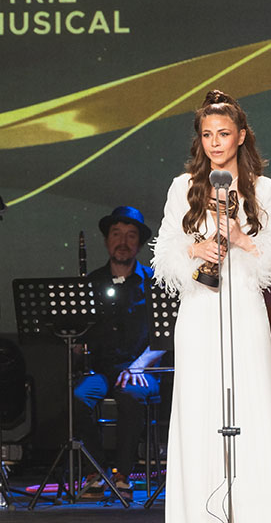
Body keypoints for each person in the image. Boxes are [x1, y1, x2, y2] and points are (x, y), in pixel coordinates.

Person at [152, 90, 271, 521]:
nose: (215, 142)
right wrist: (195, 250)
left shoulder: (263, 190)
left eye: (224, 134)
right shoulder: (183, 188)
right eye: (207, 134)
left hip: (244, 311)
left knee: (250, 408)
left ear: (241, 137)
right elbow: (163, 255)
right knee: (200, 410)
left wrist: (239, 238)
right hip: (199, 311)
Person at [73, 206, 165, 501]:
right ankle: (96, 473)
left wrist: (138, 366)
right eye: (116, 234)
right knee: (78, 397)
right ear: (106, 241)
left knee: (130, 396)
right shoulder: (91, 281)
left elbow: (165, 337)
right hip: (102, 370)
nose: (122, 242)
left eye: (130, 235)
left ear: (138, 243)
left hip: (141, 370)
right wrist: (75, 343)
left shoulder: (154, 281)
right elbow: (81, 335)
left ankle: (123, 475)